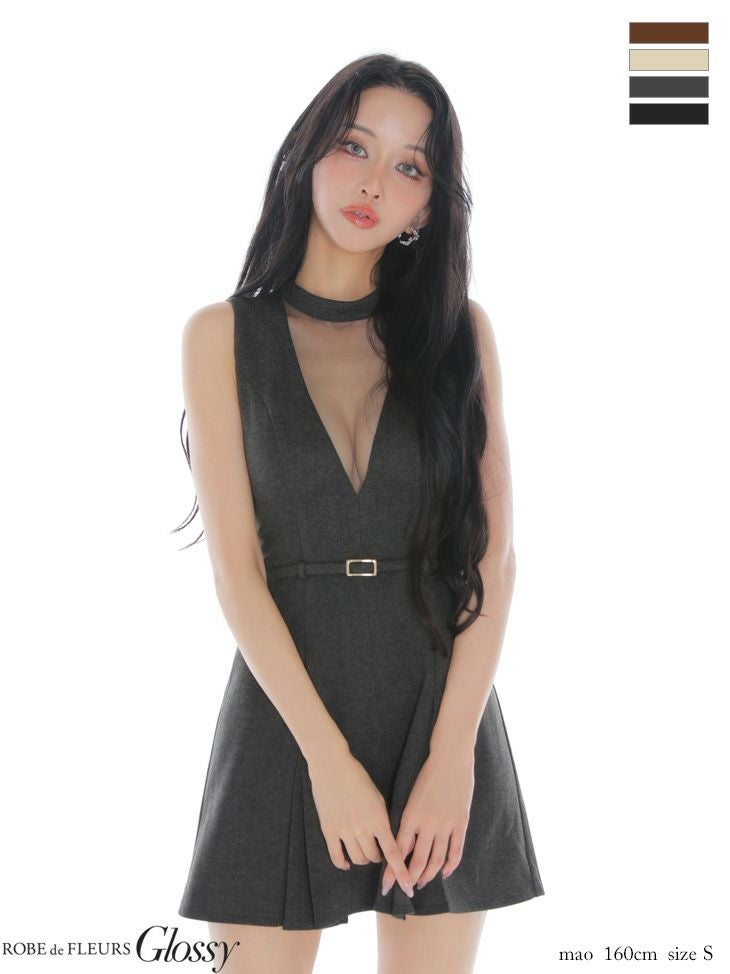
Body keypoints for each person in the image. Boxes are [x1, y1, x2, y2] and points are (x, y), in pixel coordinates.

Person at [172, 53, 544, 974]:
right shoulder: (222, 335)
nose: (375, 182)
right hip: (286, 714)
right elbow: (236, 573)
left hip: (437, 708)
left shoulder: (462, 334)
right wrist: (328, 763)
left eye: (409, 165)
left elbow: (494, 561)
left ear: (428, 206)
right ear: (307, 154)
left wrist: (453, 758)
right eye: (354, 146)